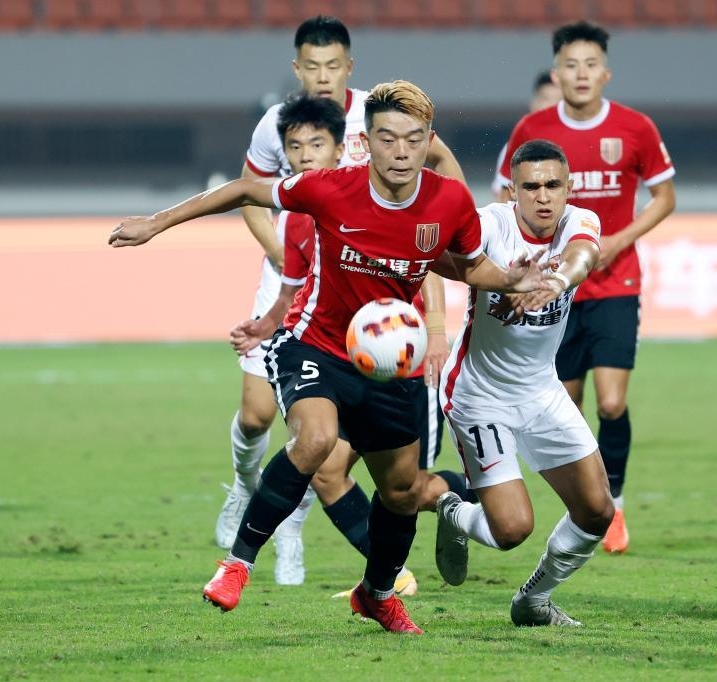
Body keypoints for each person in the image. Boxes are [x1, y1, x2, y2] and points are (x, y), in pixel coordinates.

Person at [109, 80, 547, 634]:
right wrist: (155, 223)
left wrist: (509, 279)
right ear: (368, 139)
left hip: (389, 364)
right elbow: (244, 190)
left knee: (402, 491)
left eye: (413, 139)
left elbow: (464, 263)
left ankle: (377, 595)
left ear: (428, 140)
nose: (400, 151)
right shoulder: (329, 188)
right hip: (315, 343)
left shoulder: (449, 201)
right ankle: (237, 564)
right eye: (387, 138)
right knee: (315, 441)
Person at [220, 15, 468, 589]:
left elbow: (428, 218)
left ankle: (422, 529)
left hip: (375, 303)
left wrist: (436, 322)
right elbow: (248, 191)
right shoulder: (274, 124)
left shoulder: (380, 119)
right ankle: (246, 495)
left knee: (376, 473)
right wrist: (281, 254)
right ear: (297, 69)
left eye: (333, 65)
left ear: (349, 68)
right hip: (298, 277)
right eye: (313, 66)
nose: (323, 76)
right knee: (264, 419)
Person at [496, 22, 677, 553]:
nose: (581, 74)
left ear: (606, 73)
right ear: (556, 73)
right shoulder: (534, 129)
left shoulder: (634, 127)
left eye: (590, 64)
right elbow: (505, 199)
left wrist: (619, 240)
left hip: (616, 281)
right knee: (567, 406)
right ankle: (586, 503)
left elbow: (665, 197)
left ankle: (613, 504)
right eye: (570, 65)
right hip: (552, 289)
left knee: (613, 402)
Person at [434, 139, 615, 627]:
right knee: (512, 529)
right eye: (530, 187)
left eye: (553, 185)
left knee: (597, 511)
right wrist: (498, 278)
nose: (543, 196)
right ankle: (453, 511)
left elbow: (582, 257)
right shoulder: (490, 226)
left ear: (569, 187)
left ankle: (534, 600)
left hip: (541, 392)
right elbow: (434, 255)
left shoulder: (580, 221)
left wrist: (553, 282)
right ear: (512, 190)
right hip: (480, 395)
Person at [490, 70, 562, 198]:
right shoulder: (517, 147)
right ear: (533, 102)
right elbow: (503, 197)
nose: (551, 106)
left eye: (558, 101)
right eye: (545, 98)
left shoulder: (578, 143)